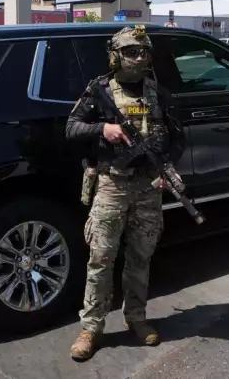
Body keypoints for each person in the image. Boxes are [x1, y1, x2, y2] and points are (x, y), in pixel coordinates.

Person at [65, 25, 186, 362]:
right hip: (112, 185)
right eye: (131, 51)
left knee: (140, 257)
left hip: (148, 188)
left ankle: (136, 317)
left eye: (144, 51)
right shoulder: (99, 90)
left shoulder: (158, 93)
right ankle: (91, 327)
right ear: (115, 56)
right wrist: (103, 128)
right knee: (101, 258)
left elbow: (178, 139)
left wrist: (169, 168)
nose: (139, 57)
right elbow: (71, 127)